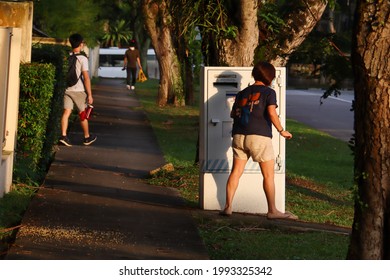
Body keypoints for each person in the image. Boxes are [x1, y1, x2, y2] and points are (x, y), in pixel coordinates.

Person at [220, 61, 298, 220]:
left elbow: (233, 114)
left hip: (239, 136)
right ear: (270, 77)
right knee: (268, 176)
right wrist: (281, 130)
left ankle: (228, 206)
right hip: (259, 137)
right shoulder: (269, 93)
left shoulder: (242, 92)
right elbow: (271, 113)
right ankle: (272, 210)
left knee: (236, 172)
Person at [59, 33, 97, 147]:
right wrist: (89, 94)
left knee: (66, 112)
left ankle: (64, 135)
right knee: (82, 114)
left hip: (67, 89)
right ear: (81, 44)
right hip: (78, 90)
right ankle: (87, 137)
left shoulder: (67, 56)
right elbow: (86, 78)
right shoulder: (82, 58)